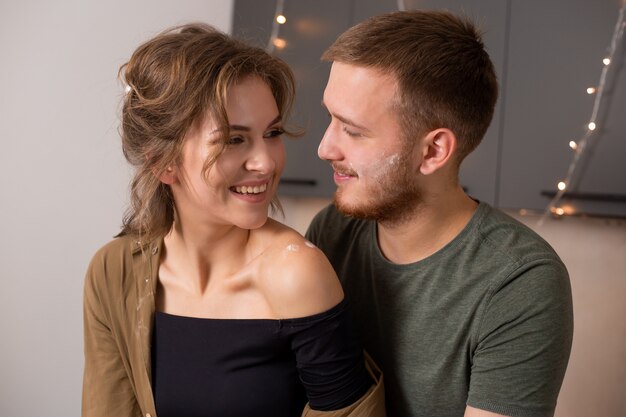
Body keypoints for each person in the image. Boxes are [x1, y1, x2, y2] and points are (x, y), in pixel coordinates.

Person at [82, 23, 386, 417]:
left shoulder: (297, 272)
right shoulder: (115, 270)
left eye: (272, 132)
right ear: (163, 162)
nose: (266, 162)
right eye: (233, 139)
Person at [306, 10, 573, 417]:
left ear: (432, 151)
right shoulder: (334, 230)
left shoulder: (519, 280)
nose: (325, 148)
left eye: (353, 130)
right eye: (330, 118)